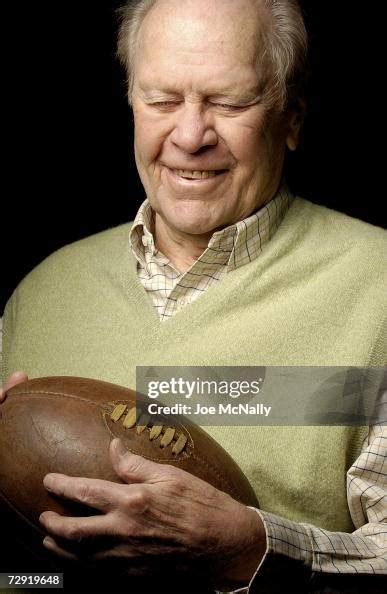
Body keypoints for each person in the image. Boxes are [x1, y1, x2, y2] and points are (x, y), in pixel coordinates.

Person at [1, 0, 386, 592]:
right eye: (161, 101)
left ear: (291, 118)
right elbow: (16, 577)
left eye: (229, 103)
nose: (189, 136)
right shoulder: (43, 292)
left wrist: (253, 552)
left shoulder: (377, 286)